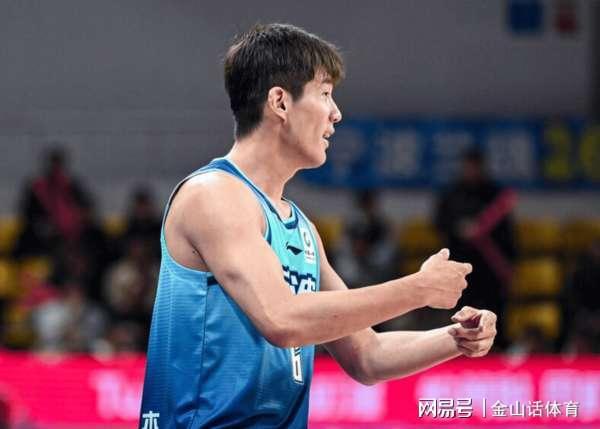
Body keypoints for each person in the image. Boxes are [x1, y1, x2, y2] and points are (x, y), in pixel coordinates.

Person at [139, 23, 497, 429]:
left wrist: (455, 339)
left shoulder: (302, 229)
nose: (336, 113)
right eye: (325, 93)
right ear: (280, 102)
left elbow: (368, 355)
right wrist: (418, 289)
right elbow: (282, 319)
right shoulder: (213, 195)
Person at [434, 148, 515, 348]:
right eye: (468, 167)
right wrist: (460, 228)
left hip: (489, 266)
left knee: (494, 313)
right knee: (461, 313)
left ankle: (496, 352)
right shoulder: (452, 194)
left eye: (475, 167)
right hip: (460, 264)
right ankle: (460, 350)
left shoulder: (495, 195)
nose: (471, 171)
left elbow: (507, 233)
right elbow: (440, 222)